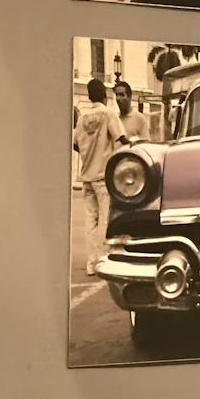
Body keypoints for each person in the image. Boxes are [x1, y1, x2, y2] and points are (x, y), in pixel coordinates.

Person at [73, 79, 123, 277]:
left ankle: (91, 262)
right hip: (103, 175)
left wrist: (88, 153)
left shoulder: (82, 118)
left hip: (87, 176)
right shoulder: (108, 113)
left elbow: (75, 144)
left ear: (89, 96)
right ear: (104, 95)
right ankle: (103, 259)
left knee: (90, 220)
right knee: (105, 218)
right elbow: (121, 138)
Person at [114, 79, 155, 144]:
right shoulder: (114, 119)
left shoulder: (139, 118)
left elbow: (145, 142)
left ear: (129, 97)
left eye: (121, 95)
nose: (118, 98)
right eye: (116, 95)